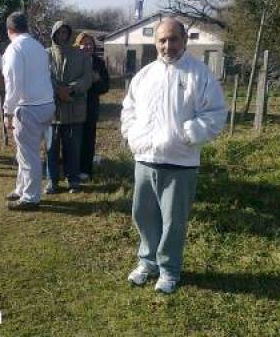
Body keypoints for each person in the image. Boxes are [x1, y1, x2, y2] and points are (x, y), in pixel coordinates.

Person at [121, 18, 227, 294]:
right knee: (143, 215)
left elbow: (215, 113)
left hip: (180, 161)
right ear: (156, 42)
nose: (167, 45)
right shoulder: (144, 75)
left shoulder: (199, 74)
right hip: (145, 159)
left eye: (173, 39)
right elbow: (128, 109)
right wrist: (132, 134)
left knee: (173, 221)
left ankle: (169, 270)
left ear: (184, 40)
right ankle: (148, 263)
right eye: (162, 40)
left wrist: (191, 133)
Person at [2, 11, 55, 210]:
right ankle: (21, 188)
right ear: (26, 27)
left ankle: (31, 197)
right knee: (24, 152)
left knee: (28, 154)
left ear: (10, 30)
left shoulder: (14, 49)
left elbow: (13, 83)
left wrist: (7, 112)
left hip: (29, 107)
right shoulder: (39, 47)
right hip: (46, 104)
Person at [46, 21, 92, 194]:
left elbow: (87, 78)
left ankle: (73, 180)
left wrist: (71, 89)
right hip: (52, 110)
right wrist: (58, 90)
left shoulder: (81, 56)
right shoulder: (46, 55)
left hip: (75, 109)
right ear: (54, 35)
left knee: (73, 147)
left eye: (65, 33)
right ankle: (52, 180)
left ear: (69, 34)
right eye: (59, 33)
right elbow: (43, 75)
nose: (62, 36)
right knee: (51, 148)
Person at [74, 32, 110, 181]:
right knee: (73, 140)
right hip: (73, 107)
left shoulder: (99, 63)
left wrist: (97, 80)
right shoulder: (72, 60)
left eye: (90, 44)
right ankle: (71, 170)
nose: (87, 46)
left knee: (88, 140)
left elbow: (105, 87)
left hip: (90, 108)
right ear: (78, 45)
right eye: (84, 43)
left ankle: (86, 171)